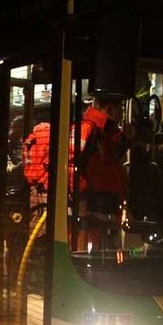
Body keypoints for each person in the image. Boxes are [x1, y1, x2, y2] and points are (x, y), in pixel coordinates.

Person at [70, 96, 133, 247]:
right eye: (120, 110)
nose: (122, 115)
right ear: (110, 109)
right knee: (86, 250)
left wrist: (126, 139)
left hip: (103, 207)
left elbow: (108, 162)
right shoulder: (88, 128)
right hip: (91, 208)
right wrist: (80, 196)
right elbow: (71, 162)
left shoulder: (105, 132)